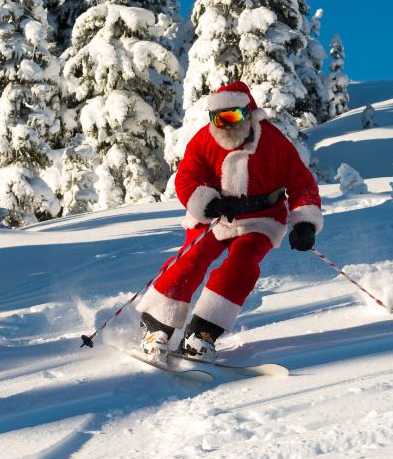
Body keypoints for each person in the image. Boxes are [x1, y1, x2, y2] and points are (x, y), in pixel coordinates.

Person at [136, 81, 323, 362]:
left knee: (243, 264)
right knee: (191, 258)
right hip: (216, 217)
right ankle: (156, 326)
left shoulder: (274, 142)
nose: (224, 125)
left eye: (232, 117)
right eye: (217, 118)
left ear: (248, 113)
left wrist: (305, 223)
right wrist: (207, 202)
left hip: (262, 219)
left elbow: (302, 184)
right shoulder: (203, 140)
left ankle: (203, 332)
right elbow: (187, 177)